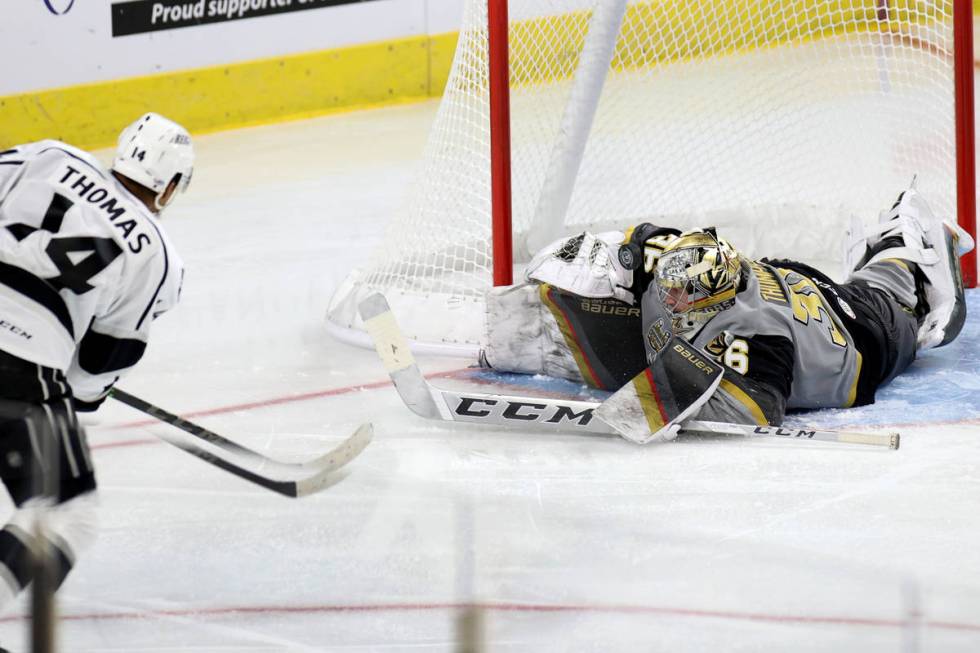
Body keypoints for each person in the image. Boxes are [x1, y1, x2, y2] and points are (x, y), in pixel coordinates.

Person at [482, 186, 974, 429]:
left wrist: (668, 396)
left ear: (711, 299)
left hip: (858, 338)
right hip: (791, 282)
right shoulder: (682, 258)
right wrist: (583, 264)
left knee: (890, 299)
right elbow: (634, 245)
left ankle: (908, 238)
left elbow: (758, 409)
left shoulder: (751, 337)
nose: (666, 294)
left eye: (679, 294)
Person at [0, 113, 193, 607]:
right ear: (170, 187)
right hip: (21, 365)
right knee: (65, 512)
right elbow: (97, 370)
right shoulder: (157, 254)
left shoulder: (48, 155)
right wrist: (77, 392)